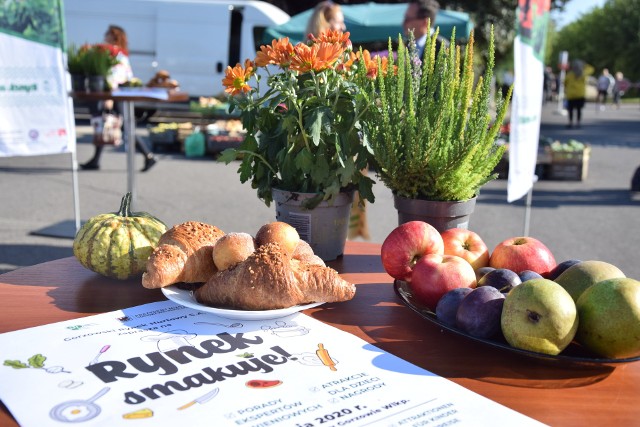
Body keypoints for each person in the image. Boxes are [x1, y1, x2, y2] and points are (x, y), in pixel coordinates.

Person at [81, 25, 157, 172]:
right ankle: (95, 160)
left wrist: (109, 95)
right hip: (119, 93)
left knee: (120, 126)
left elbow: (114, 76)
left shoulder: (114, 53)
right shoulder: (120, 54)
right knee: (107, 124)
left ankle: (148, 156)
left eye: (107, 34)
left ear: (114, 37)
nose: (104, 36)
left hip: (116, 94)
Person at [564, 60, 588, 129]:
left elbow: (565, 82)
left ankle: (570, 122)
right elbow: (591, 69)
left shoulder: (570, 74)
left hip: (571, 94)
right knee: (579, 110)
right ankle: (578, 122)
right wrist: (584, 64)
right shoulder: (583, 74)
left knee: (570, 109)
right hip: (580, 94)